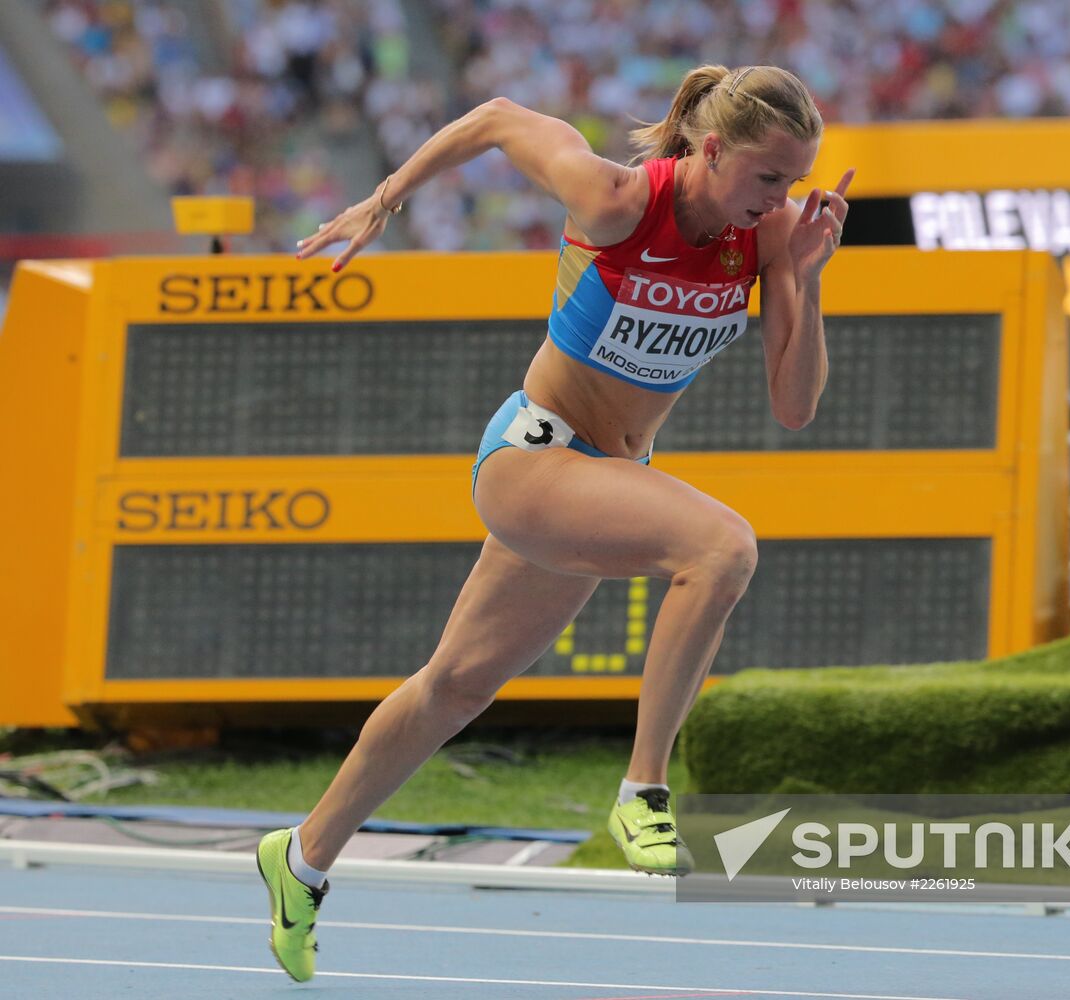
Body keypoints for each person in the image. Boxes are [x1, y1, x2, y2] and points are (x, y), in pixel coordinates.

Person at [257, 63, 852, 982]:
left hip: (605, 479)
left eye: (798, 180)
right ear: (713, 148)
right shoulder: (616, 199)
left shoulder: (767, 237)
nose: (784, 198)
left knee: (453, 688)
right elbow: (497, 115)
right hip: (534, 457)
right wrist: (386, 198)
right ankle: (644, 790)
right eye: (771, 177)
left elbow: (795, 407)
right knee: (722, 547)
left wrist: (803, 282)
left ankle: (300, 858)